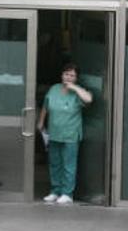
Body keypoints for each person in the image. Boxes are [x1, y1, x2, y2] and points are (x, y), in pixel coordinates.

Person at [37, 63, 93, 205]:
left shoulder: (79, 91)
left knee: (69, 165)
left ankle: (67, 193)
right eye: (66, 74)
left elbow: (88, 99)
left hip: (71, 134)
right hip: (54, 132)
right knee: (55, 164)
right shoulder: (54, 88)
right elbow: (46, 106)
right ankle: (55, 191)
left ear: (76, 78)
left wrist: (73, 87)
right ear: (62, 75)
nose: (68, 77)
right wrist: (41, 121)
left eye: (72, 75)